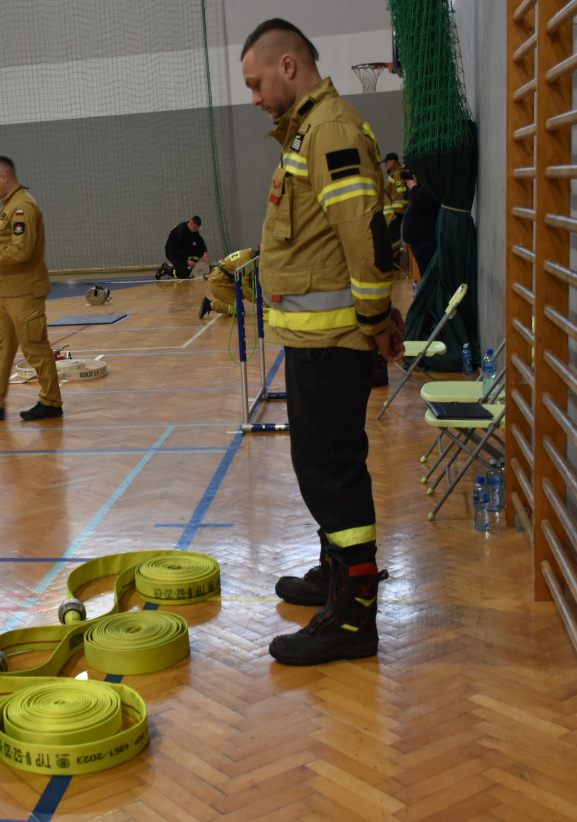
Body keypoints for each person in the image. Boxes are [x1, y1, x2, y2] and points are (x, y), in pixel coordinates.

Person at [241, 18, 405, 665]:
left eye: (256, 82)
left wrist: (375, 318)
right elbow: (312, 236)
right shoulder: (309, 129)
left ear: (288, 67)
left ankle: (353, 615)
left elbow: (361, 233)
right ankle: (335, 571)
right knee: (323, 468)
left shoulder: (330, 129)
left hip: (333, 340)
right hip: (318, 337)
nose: (253, 96)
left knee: (330, 472)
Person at [0, 156, 63, 421]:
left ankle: (51, 402)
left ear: (4, 177)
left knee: (35, 348)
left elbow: (21, 251)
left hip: (25, 292)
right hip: (7, 294)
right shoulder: (10, 205)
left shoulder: (23, 208)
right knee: (1, 346)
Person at [198, 246, 260, 320]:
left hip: (222, 280)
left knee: (241, 296)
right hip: (218, 283)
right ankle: (210, 305)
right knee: (239, 310)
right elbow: (245, 286)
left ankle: (227, 301)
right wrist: (259, 301)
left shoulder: (247, 254)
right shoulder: (245, 261)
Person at [400, 170, 440, 278]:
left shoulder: (430, 184)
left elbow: (419, 200)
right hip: (420, 244)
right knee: (426, 279)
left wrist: (413, 186)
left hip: (427, 243)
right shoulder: (423, 187)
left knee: (430, 280)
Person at [382, 152, 407, 251]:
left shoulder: (397, 173)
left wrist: (403, 205)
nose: (385, 164)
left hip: (398, 209)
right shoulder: (393, 174)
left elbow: (401, 191)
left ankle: (395, 253)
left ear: (393, 161)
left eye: (387, 162)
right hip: (397, 209)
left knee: (393, 234)